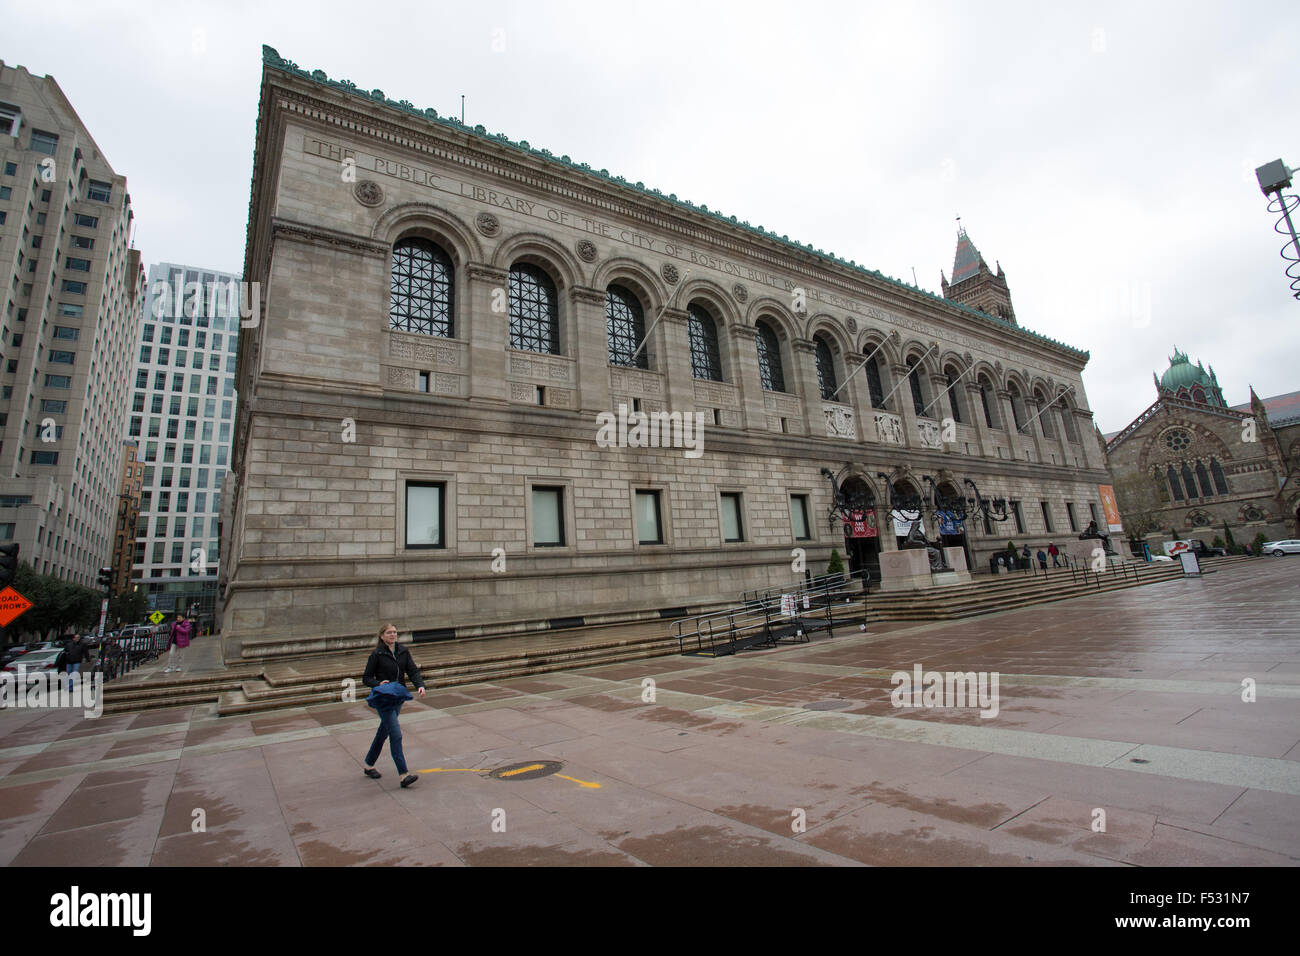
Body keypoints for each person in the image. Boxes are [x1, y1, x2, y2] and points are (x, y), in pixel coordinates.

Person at [362, 623, 426, 788]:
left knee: (383, 731)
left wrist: (420, 685)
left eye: (394, 632)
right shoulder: (377, 654)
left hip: (398, 696)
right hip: (384, 699)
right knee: (395, 734)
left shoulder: (403, 651)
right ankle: (403, 774)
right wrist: (378, 683)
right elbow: (366, 678)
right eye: (389, 632)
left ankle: (368, 764)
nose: (392, 635)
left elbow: (412, 670)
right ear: (382, 636)